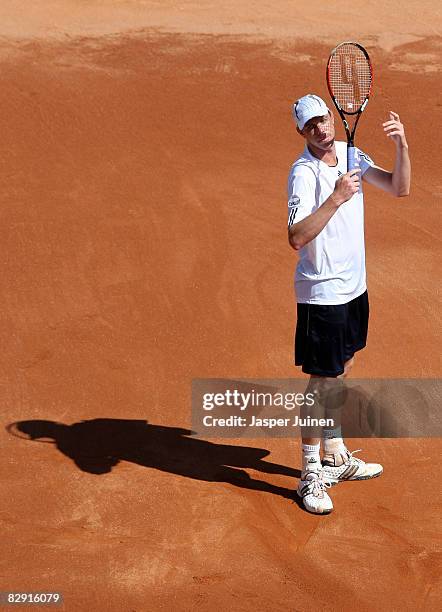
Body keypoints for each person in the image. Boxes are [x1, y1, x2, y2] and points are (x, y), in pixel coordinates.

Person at [287, 94, 411, 514]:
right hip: (322, 292)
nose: (322, 130)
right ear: (301, 132)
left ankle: (334, 454)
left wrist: (402, 146)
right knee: (322, 381)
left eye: (325, 120)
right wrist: (337, 197)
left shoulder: (350, 152)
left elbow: (398, 187)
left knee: (345, 366)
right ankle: (309, 474)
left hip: (354, 288)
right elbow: (297, 236)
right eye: (312, 126)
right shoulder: (302, 173)